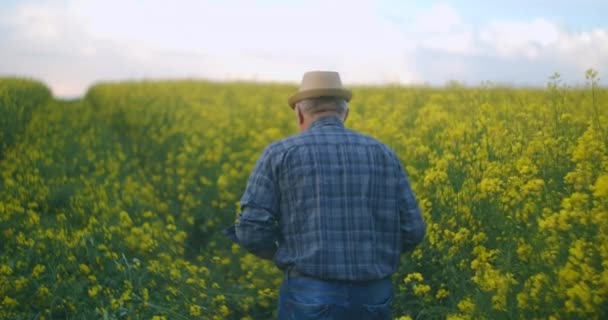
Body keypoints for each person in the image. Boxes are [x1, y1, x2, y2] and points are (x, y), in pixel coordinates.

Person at [225, 71, 426, 319]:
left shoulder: (279, 154)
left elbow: (251, 229)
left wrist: (284, 254)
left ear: (299, 113)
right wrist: (375, 255)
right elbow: (413, 230)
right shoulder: (383, 153)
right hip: (373, 295)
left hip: (308, 293)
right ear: (345, 113)